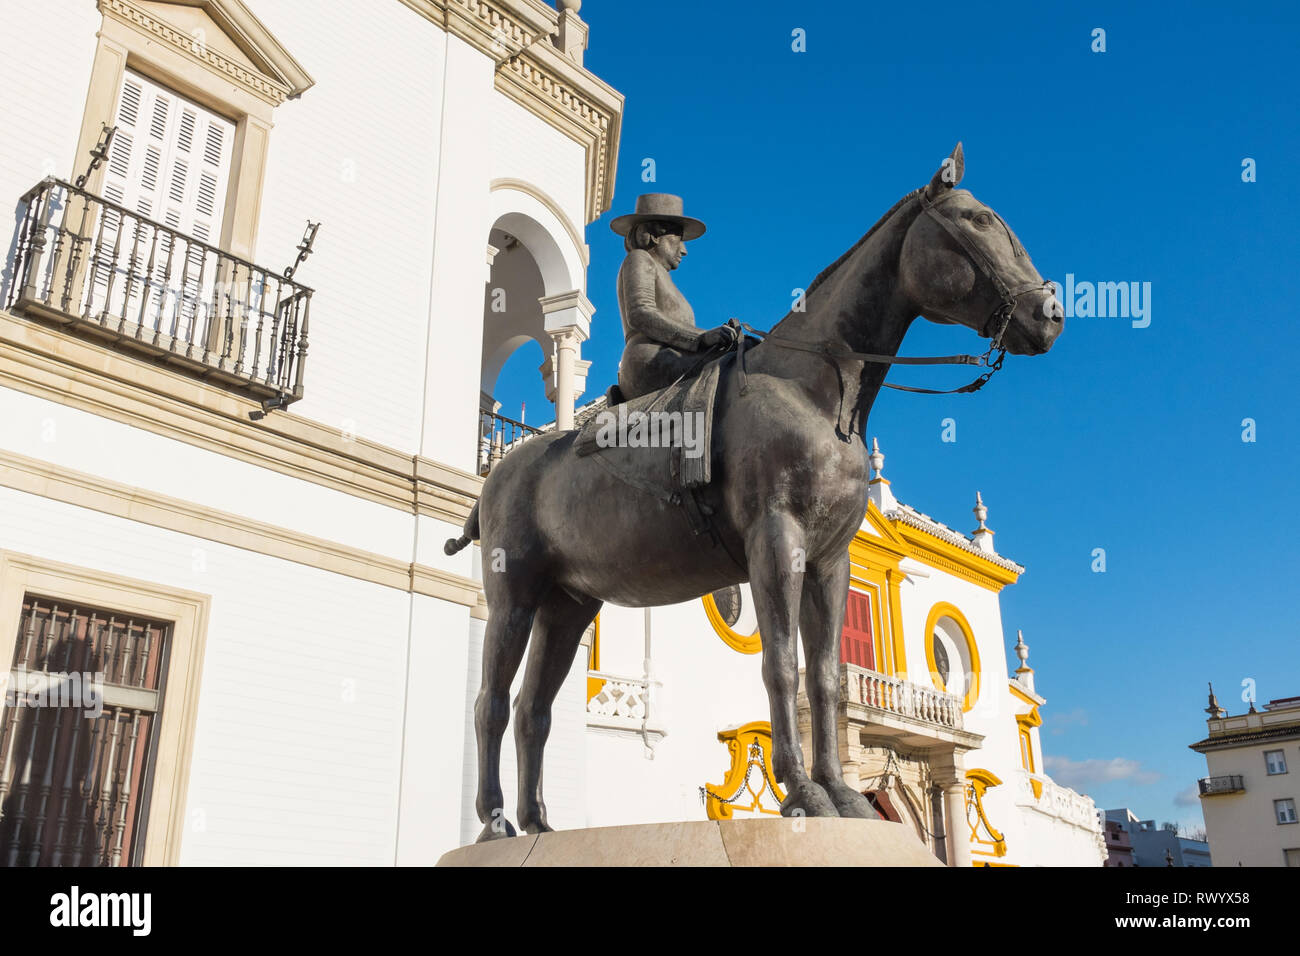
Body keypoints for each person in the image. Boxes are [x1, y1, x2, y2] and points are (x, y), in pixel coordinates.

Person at [609, 193, 737, 402]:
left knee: (743, 349)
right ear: (653, 236)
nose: (684, 250)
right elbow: (640, 313)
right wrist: (701, 337)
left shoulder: (664, 276)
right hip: (649, 360)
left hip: (672, 356)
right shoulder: (640, 258)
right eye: (677, 239)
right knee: (738, 363)